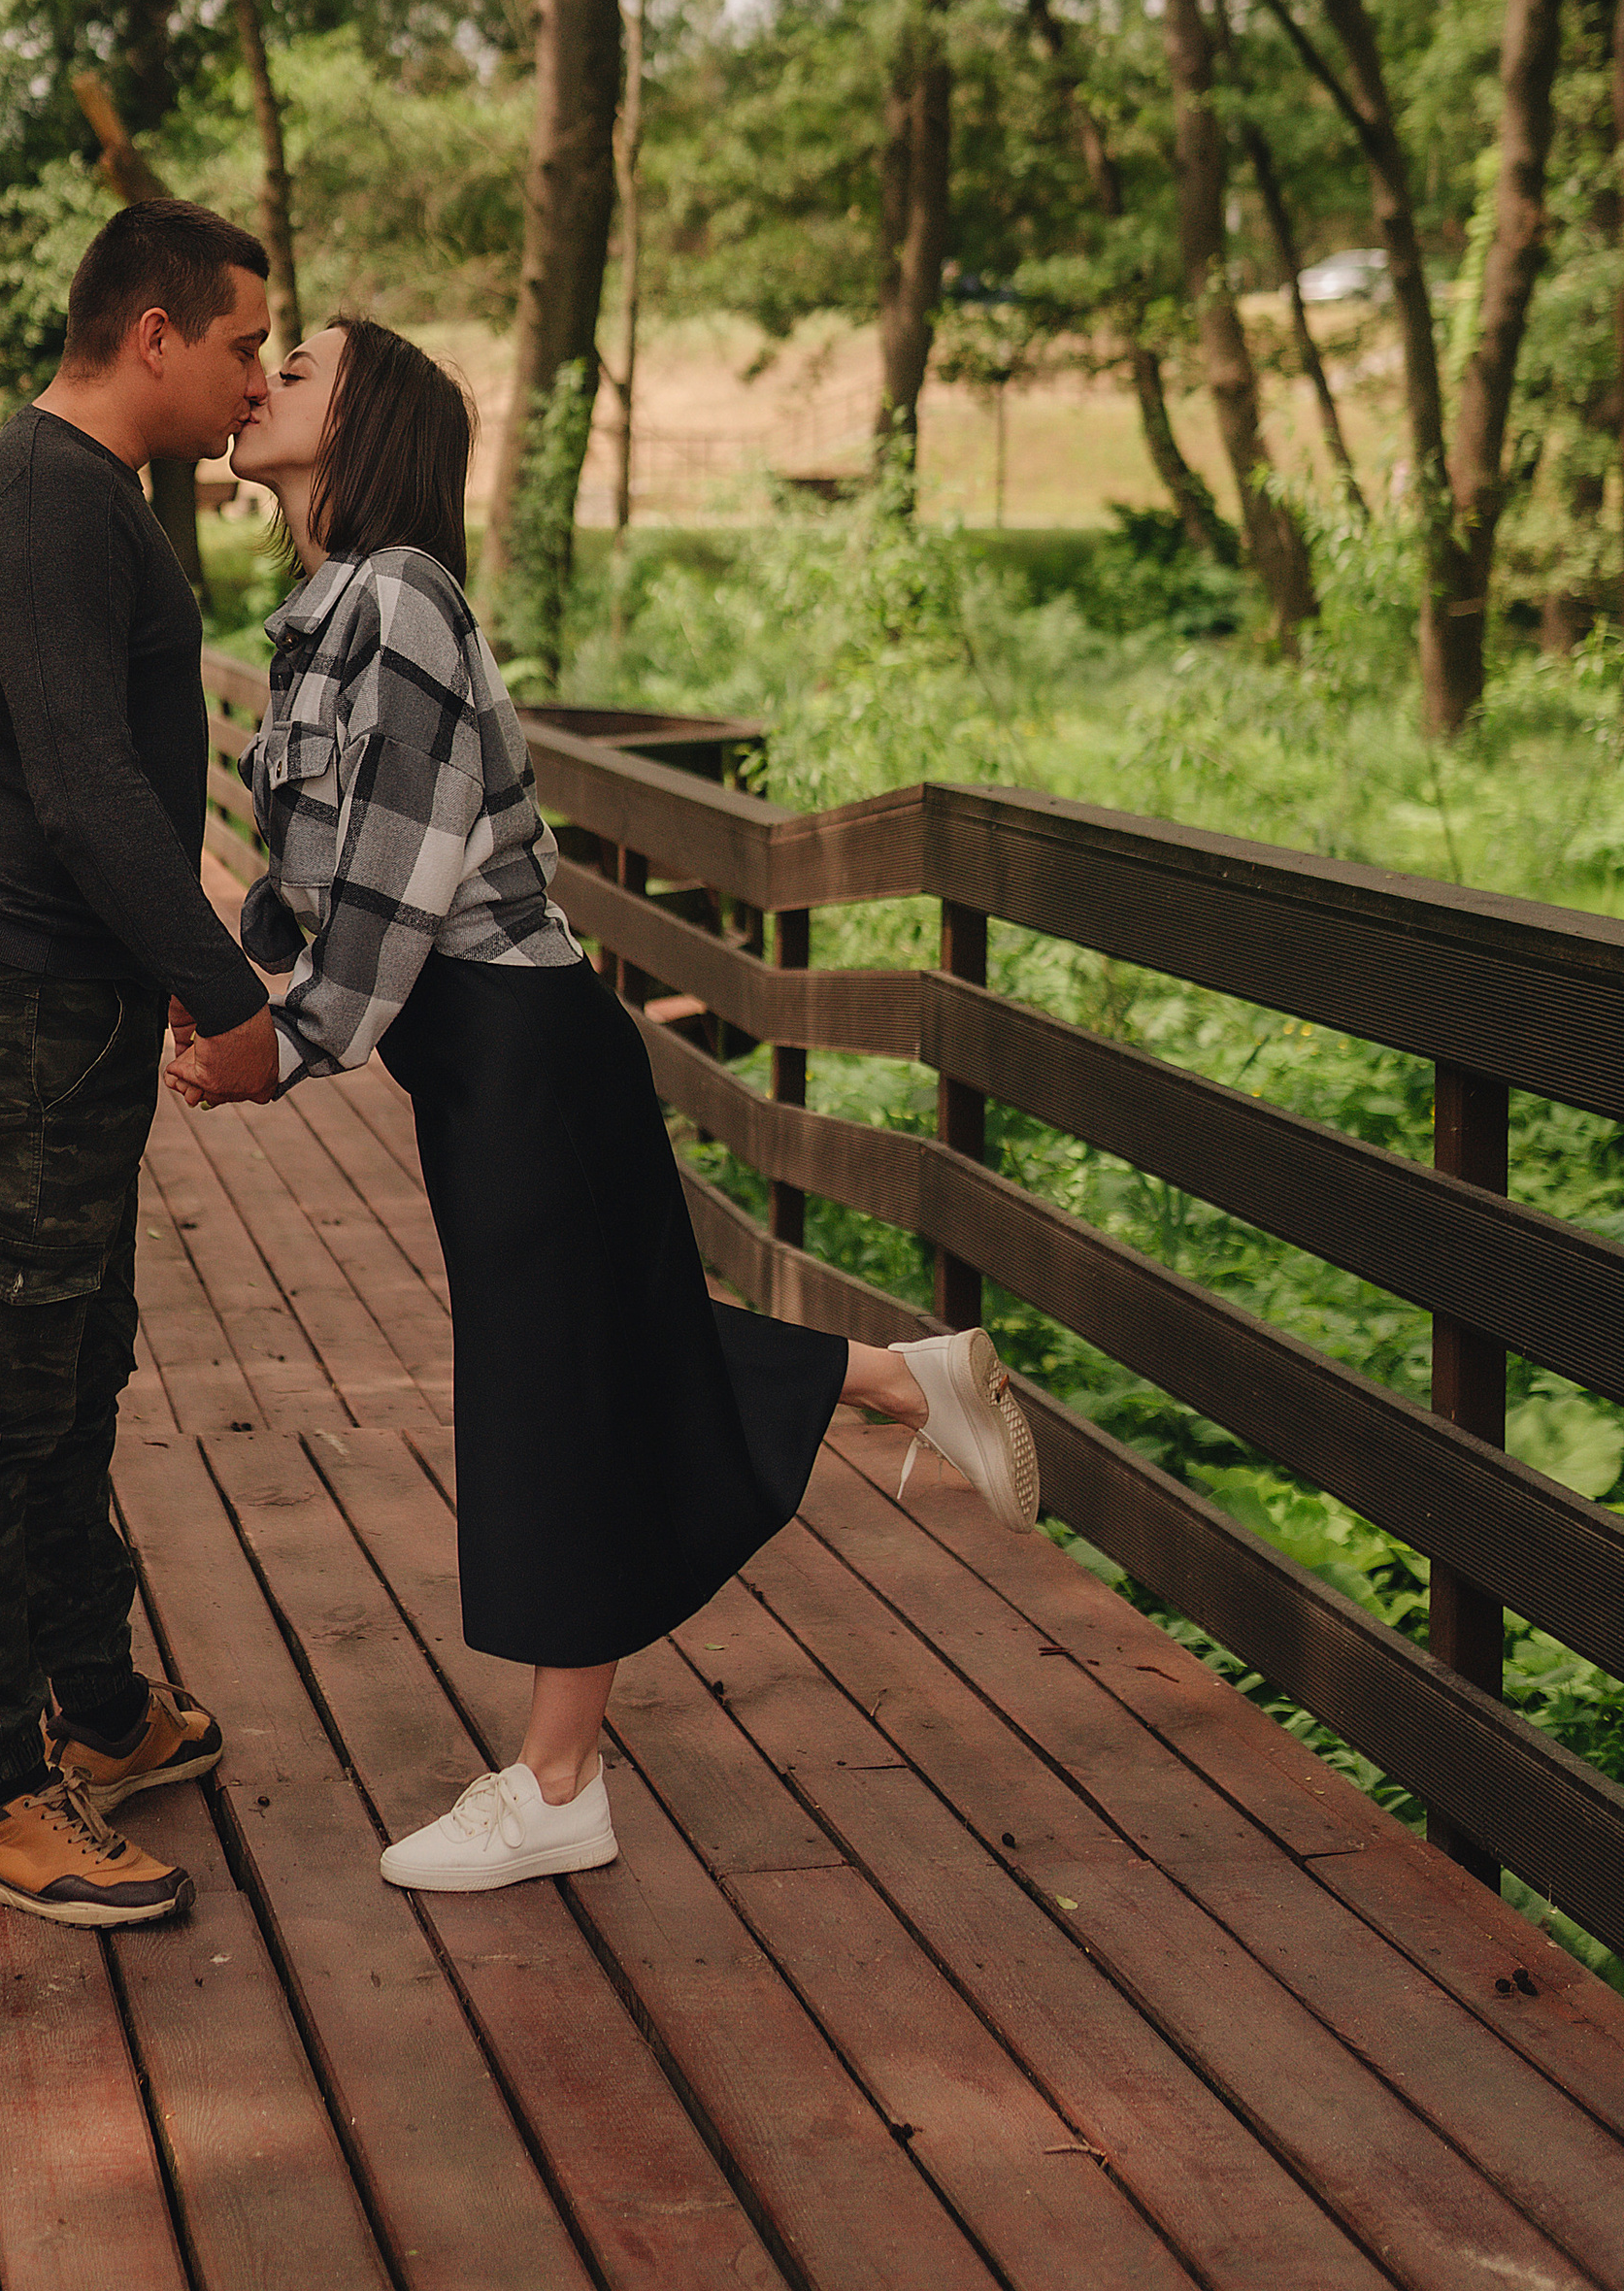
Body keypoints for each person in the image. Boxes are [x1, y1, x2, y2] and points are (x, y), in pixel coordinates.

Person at [169, 315, 1040, 1897]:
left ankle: (560, 1780)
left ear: (361, 427)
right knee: (602, 1348)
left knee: (553, 1389)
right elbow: (314, 875)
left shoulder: (405, 603)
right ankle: (905, 1386)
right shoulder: (328, 609)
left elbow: (397, 888)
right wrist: (228, 985)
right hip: (497, 1051)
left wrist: (280, 1048)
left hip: (522, 1046)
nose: (260, 377)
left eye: (297, 366)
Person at [0, 199, 280, 1930]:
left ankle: (98, 1708)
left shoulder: (83, 498)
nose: (256, 372)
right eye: (245, 341)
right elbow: (86, 793)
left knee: (68, 1370)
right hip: (21, 1011)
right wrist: (228, 986)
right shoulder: (48, 504)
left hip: (69, 1017)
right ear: (155, 337)